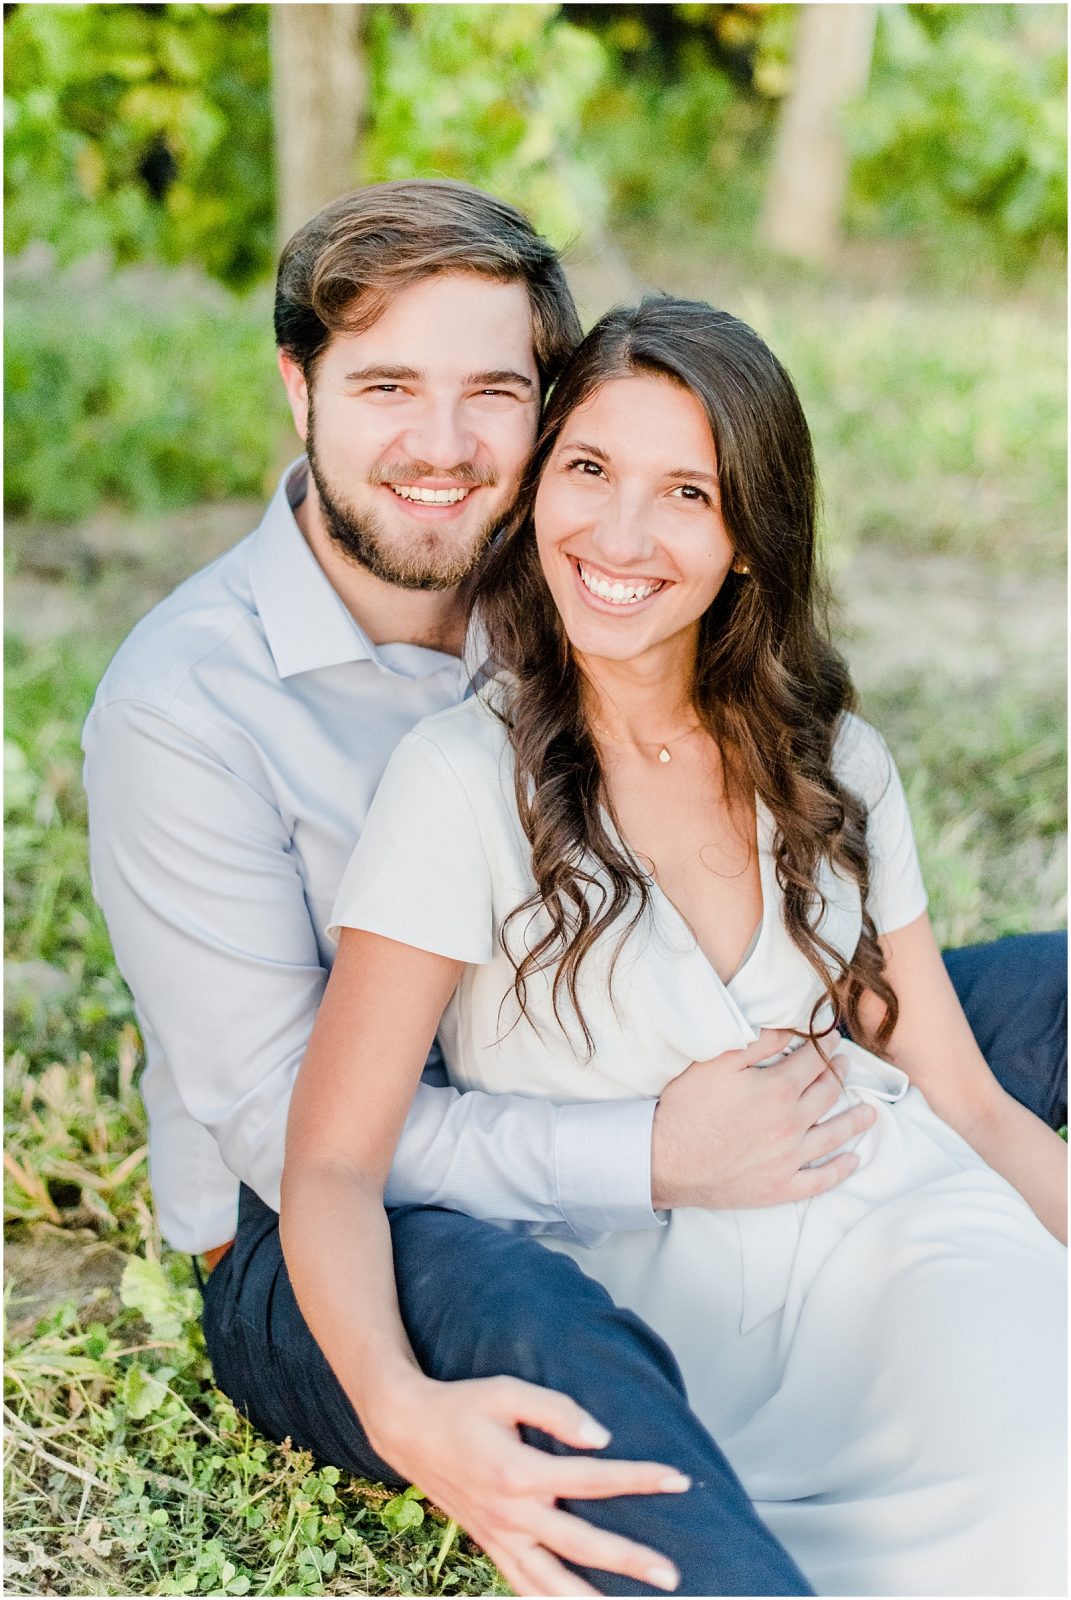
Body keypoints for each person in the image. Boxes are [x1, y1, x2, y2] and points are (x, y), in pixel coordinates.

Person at [82, 181, 1067, 1597]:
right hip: (339, 1224)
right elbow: (304, 1143)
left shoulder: (578, 591)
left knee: (1016, 1014)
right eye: (384, 388)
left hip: (708, 1070)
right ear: (296, 387)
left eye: (492, 392)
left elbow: (932, 1062)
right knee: (534, 1314)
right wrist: (654, 1154)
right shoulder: (189, 707)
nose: (440, 447)